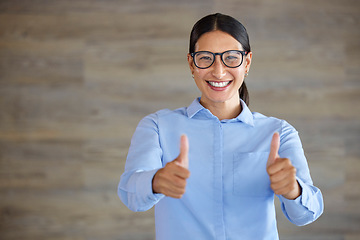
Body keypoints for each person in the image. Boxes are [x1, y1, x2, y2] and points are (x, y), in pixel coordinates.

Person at [118, 13, 324, 240]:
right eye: (205, 58)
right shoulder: (157, 127)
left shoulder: (279, 133)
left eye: (231, 57)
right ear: (191, 64)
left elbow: (307, 214)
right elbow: (130, 195)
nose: (218, 71)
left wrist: (292, 190)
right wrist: (156, 181)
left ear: (247, 62)